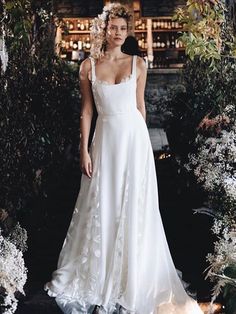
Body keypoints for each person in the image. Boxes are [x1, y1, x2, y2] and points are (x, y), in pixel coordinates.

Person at [44, 3, 204, 314]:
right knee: (103, 203)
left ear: (127, 31)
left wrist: (143, 148)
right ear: (103, 29)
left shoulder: (138, 64)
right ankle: (101, 273)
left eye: (122, 28)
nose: (117, 33)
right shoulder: (88, 67)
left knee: (135, 206)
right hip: (105, 142)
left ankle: (134, 274)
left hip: (134, 143)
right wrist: (84, 149)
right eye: (112, 27)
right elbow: (87, 111)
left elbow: (140, 109)